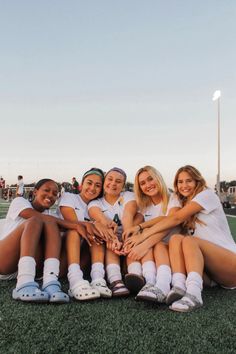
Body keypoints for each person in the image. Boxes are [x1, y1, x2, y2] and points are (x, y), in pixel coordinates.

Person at [125, 165, 236, 312]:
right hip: (210, 275)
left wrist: (144, 236)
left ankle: (194, 294)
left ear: (197, 181)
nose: (184, 185)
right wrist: (139, 227)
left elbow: (176, 218)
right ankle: (175, 286)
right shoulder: (182, 202)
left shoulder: (207, 195)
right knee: (176, 239)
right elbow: (166, 219)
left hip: (230, 264)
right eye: (180, 182)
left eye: (188, 181)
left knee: (188, 240)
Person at [0, 178, 87, 304]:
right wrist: (76, 225)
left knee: (52, 223)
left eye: (54, 194)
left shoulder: (51, 216)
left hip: (29, 268)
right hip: (5, 262)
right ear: (35, 192)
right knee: (38, 220)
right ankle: (24, 282)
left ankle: (50, 281)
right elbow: (34, 216)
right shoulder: (20, 201)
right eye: (46, 190)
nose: (50, 195)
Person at [123, 166, 181, 302]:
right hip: (152, 254)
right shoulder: (144, 207)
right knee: (133, 242)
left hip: (171, 252)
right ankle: (138, 277)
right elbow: (135, 227)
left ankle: (162, 283)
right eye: (142, 183)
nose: (148, 185)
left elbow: (169, 221)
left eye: (150, 179)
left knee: (156, 244)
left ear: (158, 177)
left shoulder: (174, 198)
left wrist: (142, 235)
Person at [59, 168, 114, 301]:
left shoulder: (98, 206)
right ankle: (75, 280)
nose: (92, 188)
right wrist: (95, 225)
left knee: (98, 232)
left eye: (97, 185)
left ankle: (98, 278)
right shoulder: (70, 197)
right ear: (81, 185)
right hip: (63, 254)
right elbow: (72, 222)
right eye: (89, 183)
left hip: (84, 256)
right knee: (76, 229)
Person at [88, 167, 142, 297]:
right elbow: (103, 220)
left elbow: (128, 215)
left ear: (123, 186)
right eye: (110, 179)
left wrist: (127, 239)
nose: (113, 183)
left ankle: (136, 276)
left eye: (118, 181)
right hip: (112, 239)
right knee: (109, 243)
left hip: (129, 233)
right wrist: (114, 240)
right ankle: (115, 280)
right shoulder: (95, 203)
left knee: (135, 231)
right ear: (104, 180)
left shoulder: (128, 196)